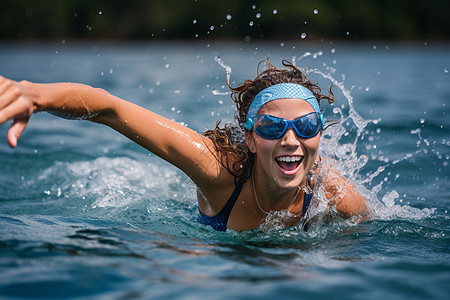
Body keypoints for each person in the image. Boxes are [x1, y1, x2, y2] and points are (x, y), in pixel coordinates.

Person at [0, 60, 369, 232]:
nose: (291, 140)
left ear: (319, 133)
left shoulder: (335, 196)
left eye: (305, 126)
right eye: (272, 127)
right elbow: (109, 107)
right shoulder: (216, 171)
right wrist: (34, 95)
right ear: (251, 139)